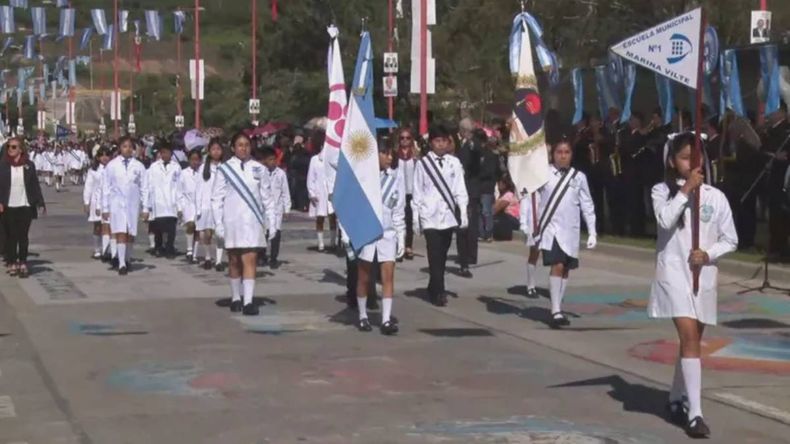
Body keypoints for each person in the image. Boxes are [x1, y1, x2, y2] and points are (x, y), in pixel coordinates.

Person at [649, 133, 737, 438]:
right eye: (686, 157)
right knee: (688, 336)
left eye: (696, 157)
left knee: (692, 344)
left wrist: (709, 253)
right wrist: (685, 190)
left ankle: (675, 397)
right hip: (673, 274)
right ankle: (695, 414)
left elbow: (731, 239)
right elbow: (664, 221)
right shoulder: (661, 191)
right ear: (673, 161)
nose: (692, 163)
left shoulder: (716, 197)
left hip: (703, 277)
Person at [212, 132, 276, 316]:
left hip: (253, 221)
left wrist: (271, 221)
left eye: (247, 144)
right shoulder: (224, 169)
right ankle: (235, 297)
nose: (244, 148)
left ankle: (248, 301)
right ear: (233, 148)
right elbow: (217, 199)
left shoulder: (259, 168)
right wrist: (218, 224)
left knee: (250, 258)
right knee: (234, 260)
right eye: (240, 145)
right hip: (232, 221)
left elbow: (267, 198)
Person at [535, 139, 597, 328]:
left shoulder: (579, 177)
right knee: (558, 264)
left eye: (566, 152)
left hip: (571, 230)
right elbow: (532, 196)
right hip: (550, 228)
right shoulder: (542, 173)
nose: (563, 156)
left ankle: (558, 306)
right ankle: (555, 311)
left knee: (566, 269)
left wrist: (593, 231)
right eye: (559, 152)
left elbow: (587, 204)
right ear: (552, 155)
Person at [413, 124, 469, 307]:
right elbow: (418, 191)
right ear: (431, 143)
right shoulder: (422, 165)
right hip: (430, 215)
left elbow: (460, 189)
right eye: (437, 141)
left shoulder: (454, 163)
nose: (441, 144)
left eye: (444, 141)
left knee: (443, 254)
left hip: (448, 215)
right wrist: (416, 216)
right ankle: (439, 291)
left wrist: (463, 211)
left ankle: (433, 284)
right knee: (434, 253)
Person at [355, 140, 406, 335]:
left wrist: (401, 236)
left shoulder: (395, 178)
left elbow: (398, 209)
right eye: (384, 153)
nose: (390, 157)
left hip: (387, 232)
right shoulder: (363, 178)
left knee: (388, 275)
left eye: (390, 153)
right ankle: (362, 316)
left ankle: (385, 320)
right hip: (366, 231)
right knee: (364, 276)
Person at [102, 136, 148, 275]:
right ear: (120, 148)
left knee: (130, 233)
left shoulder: (139, 166)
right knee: (120, 231)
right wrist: (105, 208)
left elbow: (144, 188)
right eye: (124, 146)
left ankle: (127, 258)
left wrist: (145, 208)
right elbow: (106, 188)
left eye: (129, 146)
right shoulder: (112, 165)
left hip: (133, 204)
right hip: (117, 203)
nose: (127, 149)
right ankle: (121, 263)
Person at [0, 137, 46, 278]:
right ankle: (12, 262)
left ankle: (23, 262)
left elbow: (34, 185)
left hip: (25, 204)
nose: (10, 149)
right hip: (9, 205)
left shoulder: (28, 165)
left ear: (21, 149)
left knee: (23, 236)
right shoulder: (3, 165)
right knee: (12, 235)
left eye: (14, 147)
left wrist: (40, 202)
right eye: (9, 147)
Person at [145, 143, 182, 258]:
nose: (165, 155)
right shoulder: (154, 167)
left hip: (171, 201)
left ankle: (170, 247)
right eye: (163, 152)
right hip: (158, 200)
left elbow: (179, 187)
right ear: (160, 153)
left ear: (171, 153)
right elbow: (149, 185)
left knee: (171, 227)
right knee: (158, 227)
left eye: (168, 152)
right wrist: (148, 204)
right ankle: (158, 247)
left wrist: (180, 206)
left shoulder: (176, 167)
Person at [454, 119, 481, 276]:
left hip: (471, 191)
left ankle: (470, 255)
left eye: (470, 131)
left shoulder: (473, 144)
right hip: (461, 191)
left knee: (470, 226)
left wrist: (472, 141)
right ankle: (463, 257)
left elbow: (477, 153)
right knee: (461, 227)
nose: (467, 133)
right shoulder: (461, 144)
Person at [195, 139, 226, 271]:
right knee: (205, 234)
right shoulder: (203, 168)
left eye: (218, 149)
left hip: (221, 205)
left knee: (219, 234)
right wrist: (198, 207)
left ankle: (218, 260)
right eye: (213, 149)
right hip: (206, 205)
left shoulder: (226, 167)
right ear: (209, 151)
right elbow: (199, 188)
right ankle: (208, 256)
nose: (216, 151)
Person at [261, 147, 291, 268]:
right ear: (265, 161)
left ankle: (273, 258)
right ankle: (262, 256)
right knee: (264, 234)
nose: (272, 162)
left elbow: (285, 192)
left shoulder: (281, 174)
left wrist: (287, 208)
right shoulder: (261, 172)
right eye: (269, 160)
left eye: (274, 159)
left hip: (277, 208)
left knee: (276, 234)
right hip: (264, 208)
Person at [83, 147, 111, 259]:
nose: (105, 158)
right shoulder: (93, 170)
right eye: (102, 155)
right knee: (97, 227)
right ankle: (97, 249)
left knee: (108, 226)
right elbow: (88, 187)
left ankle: (107, 250)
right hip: (96, 201)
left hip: (109, 202)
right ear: (98, 157)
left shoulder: (112, 168)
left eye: (107, 155)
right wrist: (86, 202)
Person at [307, 145, 337, 251]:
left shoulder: (334, 159)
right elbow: (311, 177)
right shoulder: (315, 160)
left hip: (331, 191)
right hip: (319, 191)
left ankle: (333, 242)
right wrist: (312, 193)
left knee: (332, 217)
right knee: (320, 218)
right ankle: (321, 243)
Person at [396, 127, 419, 260]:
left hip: (411, 192)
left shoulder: (415, 156)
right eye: (402, 138)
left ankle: (408, 246)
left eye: (407, 138)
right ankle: (399, 246)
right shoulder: (394, 154)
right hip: (398, 192)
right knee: (398, 221)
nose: (405, 140)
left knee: (410, 220)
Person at [180, 149, 203, 263]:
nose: (195, 162)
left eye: (197, 160)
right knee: (190, 225)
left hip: (199, 203)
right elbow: (179, 190)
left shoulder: (203, 173)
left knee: (198, 230)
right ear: (189, 160)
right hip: (187, 203)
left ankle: (195, 254)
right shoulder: (183, 173)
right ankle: (189, 250)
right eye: (192, 159)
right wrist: (180, 206)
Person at [478, 131, 502, 242]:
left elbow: (492, 171)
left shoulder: (491, 156)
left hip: (487, 186)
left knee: (486, 211)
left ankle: (488, 233)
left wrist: (479, 174)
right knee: (479, 210)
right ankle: (481, 233)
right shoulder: (479, 154)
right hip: (478, 186)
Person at [520, 190, 541, 297]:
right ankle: (531, 285)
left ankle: (556, 287)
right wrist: (524, 224)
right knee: (534, 254)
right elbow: (524, 208)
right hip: (535, 226)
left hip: (549, 225)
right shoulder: (530, 191)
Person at [492, 176, 520, 240]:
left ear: (505, 185)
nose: (498, 184)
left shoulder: (509, 195)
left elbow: (496, 209)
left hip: (511, 219)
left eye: (500, 183)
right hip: (506, 219)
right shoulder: (501, 195)